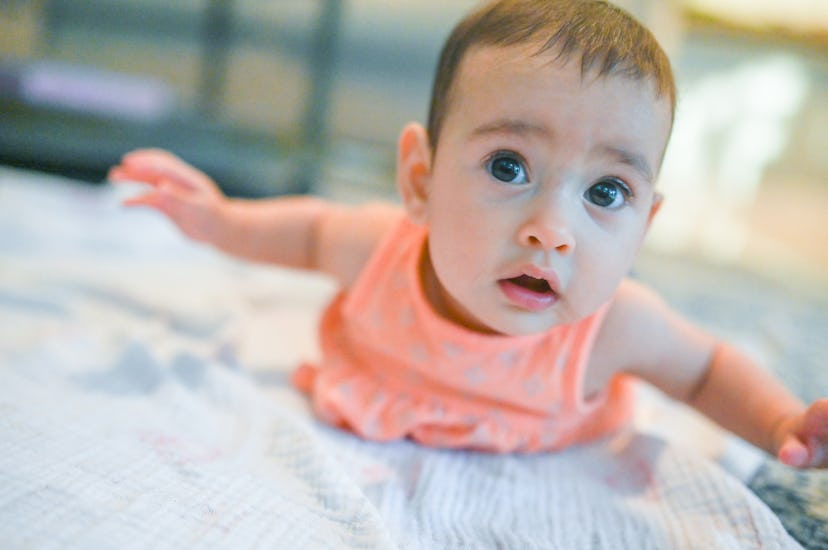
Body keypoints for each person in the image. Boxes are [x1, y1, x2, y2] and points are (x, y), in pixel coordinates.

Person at [109, 0, 827, 467]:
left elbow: (704, 371)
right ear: (419, 180)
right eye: (509, 166)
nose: (552, 231)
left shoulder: (610, 329)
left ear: (643, 228)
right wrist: (220, 221)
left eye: (607, 192)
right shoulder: (379, 249)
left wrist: (779, 423)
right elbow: (305, 232)